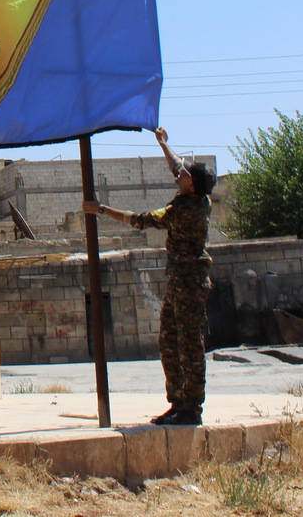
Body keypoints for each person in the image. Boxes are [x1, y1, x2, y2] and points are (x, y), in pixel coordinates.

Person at [82, 127, 214, 426]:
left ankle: (191, 409)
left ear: (193, 187)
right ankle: (178, 402)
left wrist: (101, 209)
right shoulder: (193, 194)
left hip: (190, 284)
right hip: (179, 283)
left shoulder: (185, 210)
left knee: (189, 345)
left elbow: (140, 220)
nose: (179, 175)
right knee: (168, 341)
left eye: (186, 176)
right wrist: (164, 144)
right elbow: (176, 165)